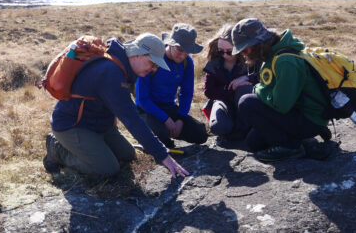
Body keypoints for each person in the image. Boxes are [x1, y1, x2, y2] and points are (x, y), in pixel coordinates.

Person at [44, 33, 189, 178]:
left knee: (127, 155)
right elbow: (132, 120)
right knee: (108, 169)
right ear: (137, 55)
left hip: (99, 123)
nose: (154, 69)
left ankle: (94, 146)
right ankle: (57, 150)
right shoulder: (111, 72)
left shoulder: (124, 66)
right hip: (72, 125)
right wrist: (164, 157)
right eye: (153, 63)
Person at [231, 18, 332, 162]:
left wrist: (257, 89)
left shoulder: (285, 61)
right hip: (300, 111)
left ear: (258, 43)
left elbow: (281, 105)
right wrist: (262, 90)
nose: (243, 54)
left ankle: (292, 147)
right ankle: (305, 139)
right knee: (254, 142)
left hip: (309, 118)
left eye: (245, 48)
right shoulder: (272, 54)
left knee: (247, 103)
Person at [135, 23, 208, 149]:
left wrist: (180, 119)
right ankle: (153, 133)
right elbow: (142, 100)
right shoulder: (152, 59)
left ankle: (165, 132)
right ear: (170, 43)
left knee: (200, 134)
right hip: (147, 110)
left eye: (187, 52)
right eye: (179, 49)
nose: (182, 55)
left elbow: (186, 93)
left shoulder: (187, 63)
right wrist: (166, 120)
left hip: (170, 108)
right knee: (162, 137)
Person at [202, 24, 257, 140]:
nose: (225, 55)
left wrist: (247, 79)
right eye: (221, 51)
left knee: (244, 89)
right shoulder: (215, 63)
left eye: (229, 51)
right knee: (218, 127)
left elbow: (262, 78)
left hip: (246, 106)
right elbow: (209, 92)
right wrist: (230, 87)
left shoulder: (251, 59)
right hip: (224, 102)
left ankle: (243, 129)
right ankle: (233, 127)